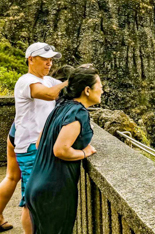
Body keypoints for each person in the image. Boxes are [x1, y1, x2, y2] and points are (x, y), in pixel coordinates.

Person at [26, 67, 101, 234]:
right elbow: (60, 150)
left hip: (36, 185)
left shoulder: (60, 106)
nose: (102, 89)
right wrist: (84, 153)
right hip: (54, 191)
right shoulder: (78, 113)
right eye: (100, 85)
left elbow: (39, 143)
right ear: (87, 90)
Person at [0, 64, 74, 231]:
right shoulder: (52, 95)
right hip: (29, 142)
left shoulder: (43, 83)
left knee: (11, 177)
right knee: (31, 196)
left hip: (15, 134)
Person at [13, 43, 67, 234]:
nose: (49, 63)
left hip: (41, 147)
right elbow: (48, 94)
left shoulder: (47, 80)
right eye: (45, 59)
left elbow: (59, 89)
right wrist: (71, 81)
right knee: (32, 200)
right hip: (30, 149)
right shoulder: (26, 81)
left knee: (42, 197)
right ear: (31, 59)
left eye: (51, 59)